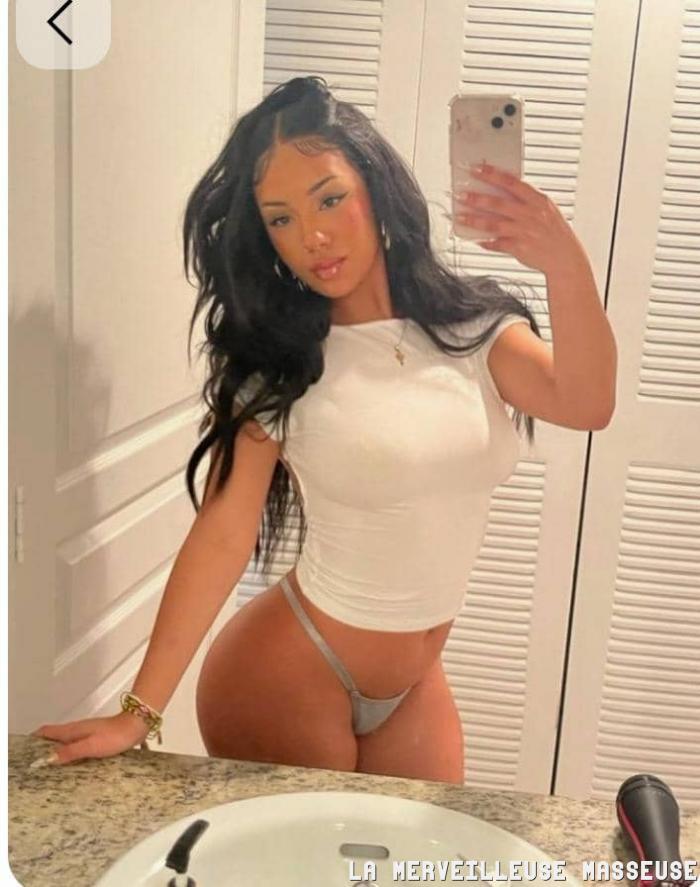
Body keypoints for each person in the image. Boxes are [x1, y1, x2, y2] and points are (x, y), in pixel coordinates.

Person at [31, 76, 616, 784]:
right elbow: (223, 532)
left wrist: (563, 262)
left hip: (414, 684)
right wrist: (139, 711)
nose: (311, 236)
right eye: (280, 219)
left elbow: (587, 402)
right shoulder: (280, 366)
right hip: (288, 673)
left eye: (330, 199)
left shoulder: (474, 332)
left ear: (376, 188)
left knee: (424, 844)